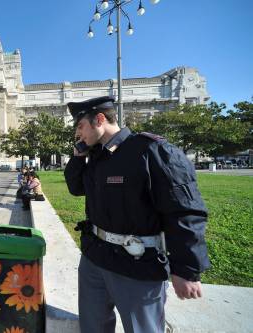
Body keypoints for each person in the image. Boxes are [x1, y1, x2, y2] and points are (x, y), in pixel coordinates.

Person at [64, 96, 210, 333]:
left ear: (99, 119)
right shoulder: (97, 156)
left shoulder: (151, 150)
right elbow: (76, 188)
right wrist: (78, 156)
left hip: (136, 265)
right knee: (92, 327)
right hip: (95, 259)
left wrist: (186, 270)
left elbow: (184, 211)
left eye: (80, 127)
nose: (77, 134)